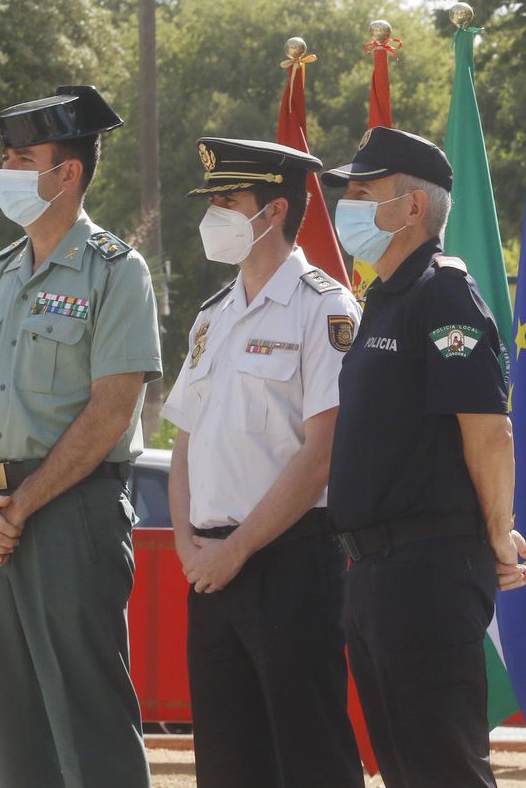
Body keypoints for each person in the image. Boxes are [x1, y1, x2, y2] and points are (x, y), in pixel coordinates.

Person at [0, 85, 161, 788]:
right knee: (14, 724)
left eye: (21, 157)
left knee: (87, 721)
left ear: (66, 172)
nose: (5, 169)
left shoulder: (115, 270)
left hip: (69, 516)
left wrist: (25, 503)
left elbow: (111, 409)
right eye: (5, 156)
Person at [322, 126, 526, 788]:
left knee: (443, 769)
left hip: (427, 573)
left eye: (363, 191)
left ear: (413, 207)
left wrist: (499, 536)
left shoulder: (442, 292)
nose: (346, 204)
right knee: (407, 768)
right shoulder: (385, 297)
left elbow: (488, 430)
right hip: (374, 572)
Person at [161, 137, 364, 787]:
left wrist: (238, 549)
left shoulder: (324, 307)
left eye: (228, 200)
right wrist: (190, 546)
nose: (213, 214)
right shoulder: (212, 317)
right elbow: (184, 441)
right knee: (226, 761)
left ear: (274, 211)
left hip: (288, 562)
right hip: (210, 571)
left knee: (308, 757)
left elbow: (323, 452)